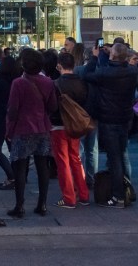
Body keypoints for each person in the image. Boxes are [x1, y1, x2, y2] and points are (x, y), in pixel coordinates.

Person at [82, 43, 138, 208]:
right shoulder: (131, 71)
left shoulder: (105, 73)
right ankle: (126, 189)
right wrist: (110, 54)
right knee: (120, 155)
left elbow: (87, 74)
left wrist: (95, 57)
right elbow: (119, 63)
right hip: (124, 118)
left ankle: (118, 196)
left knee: (114, 159)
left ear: (113, 56)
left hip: (108, 119)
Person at [5, 48, 57, 217]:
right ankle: (42, 204)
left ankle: (19, 206)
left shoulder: (18, 83)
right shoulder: (48, 82)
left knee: (20, 166)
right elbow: (53, 107)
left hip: (22, 128)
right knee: (42, 166)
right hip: (42, 128)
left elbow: (12, 110)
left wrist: (9, 130)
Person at [50, 52, 90, 208]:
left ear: (59, 65)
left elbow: (52, 107)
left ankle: (69, 198)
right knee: (76, 159)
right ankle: (83, 194)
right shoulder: (82, 83)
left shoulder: (55, 84)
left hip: (59, 126)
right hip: (76, 126)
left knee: (63, 162)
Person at [0, 52, 20, 190]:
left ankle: (12, 176)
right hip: (13, 119)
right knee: (12, 149)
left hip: (0, 119)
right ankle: (17, 177)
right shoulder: (17, 81)